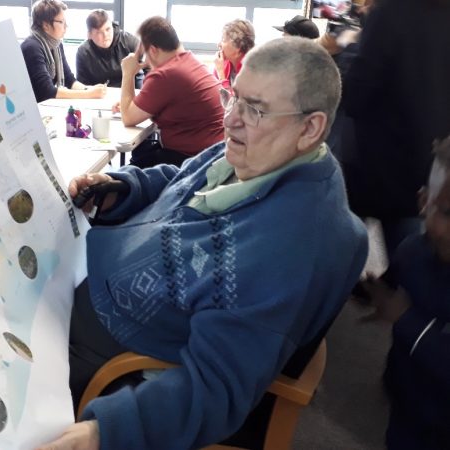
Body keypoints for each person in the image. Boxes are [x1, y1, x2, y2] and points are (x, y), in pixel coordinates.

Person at [36, 37, 368, 450]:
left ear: (310, 128)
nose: (230, 119)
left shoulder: (290, 248)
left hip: (110, 344)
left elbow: (215, 388)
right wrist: (122, 188)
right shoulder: (262, 153)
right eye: (234, 96)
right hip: (97, 274)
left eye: (255, 109)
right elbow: (179, 182)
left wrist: (105, 432)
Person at [356, 135, 450, 449]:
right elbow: (392, 285)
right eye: (448, 213)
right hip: (408, 397)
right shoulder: (412, 251)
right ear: (424, 202)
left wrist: (407, 320)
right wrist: (374, 291)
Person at [343, 0, 450, 260]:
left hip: (379, 165)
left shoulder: (390, 13)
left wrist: (349, 47)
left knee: (343, 257)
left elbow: (356, 95)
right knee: (419, 262)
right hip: (431, 170)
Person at [115, 16, 224, 169]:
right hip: (216, 153)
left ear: (153, 50)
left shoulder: (165, 74)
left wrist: (128, 73)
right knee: (142, 155)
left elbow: (128, 118)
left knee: (127, 172)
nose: (145, 60)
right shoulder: (189, 61)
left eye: (145, 53)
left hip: (195, 160)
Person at [20, 0, 106, 103]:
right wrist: (90, 94)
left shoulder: (56, 45)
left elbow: (69, 80)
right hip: (31, 107)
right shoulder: (32, 47)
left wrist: (88, 89)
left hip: (45, 105)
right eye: (61, 22)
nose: (66, 26)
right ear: (46, 25)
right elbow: (47, 91)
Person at [75, 9, 143, 88]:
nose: (105, 35)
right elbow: (82, 85)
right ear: (89, 35)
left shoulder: (130, 41)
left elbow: (149, 69)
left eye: (108, 29)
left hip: (132, 91)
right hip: (98, 93)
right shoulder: (83, 52)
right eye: (99, 32)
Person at [213, 19, 255, 91]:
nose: (219, 44)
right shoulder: (222, 65)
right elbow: (213, 94)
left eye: (223, 40)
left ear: (238, 47)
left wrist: (221, 76)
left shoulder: (252, 72)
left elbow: (234, 99)